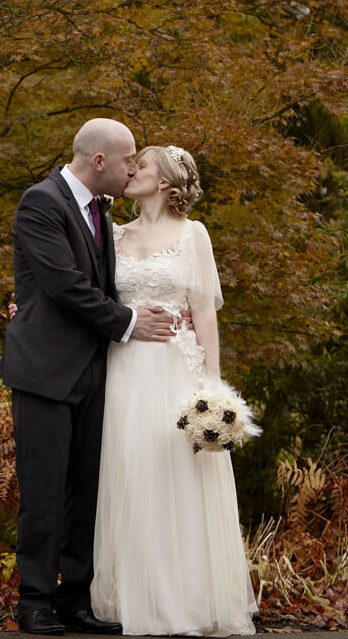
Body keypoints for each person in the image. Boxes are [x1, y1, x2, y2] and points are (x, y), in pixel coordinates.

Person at [0, 119, 178, 636]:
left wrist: (169, 311)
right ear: (99, 160)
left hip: (97, 372)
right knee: (44, 492)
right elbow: (64, 286)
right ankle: (34, 603)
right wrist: (128, 322)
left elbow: (107, 284)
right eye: (127, 161)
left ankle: (75, 601)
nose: (131, 170)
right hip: (44, 371)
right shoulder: (41, 202)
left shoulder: (100, 210)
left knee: (87, 492)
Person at [91, 145, 258, 636]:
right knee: (131, 473)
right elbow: (91, 299)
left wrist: (213, 388)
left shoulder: (193, 235)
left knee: (177, 476)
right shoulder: (112, 235)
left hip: (175, 369)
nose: (131, 170)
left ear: (165, 182)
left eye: (140, 165)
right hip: (124, 369)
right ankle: (134, 598)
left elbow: (204, 313)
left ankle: (183, 598)